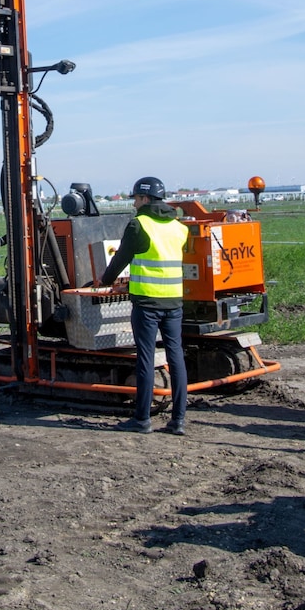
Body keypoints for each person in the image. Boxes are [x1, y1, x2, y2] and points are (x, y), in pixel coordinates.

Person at [97, 176, 189, 435]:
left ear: (145, 199)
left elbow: (120, 260)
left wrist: (104, 281)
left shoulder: (139, 225)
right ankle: (178, 420)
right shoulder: (179, 228)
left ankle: (142, 419)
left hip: (147, 303)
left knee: (146, 359)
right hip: (174, 302)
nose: (135, 203)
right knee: (176, 356)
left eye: (136, 198)